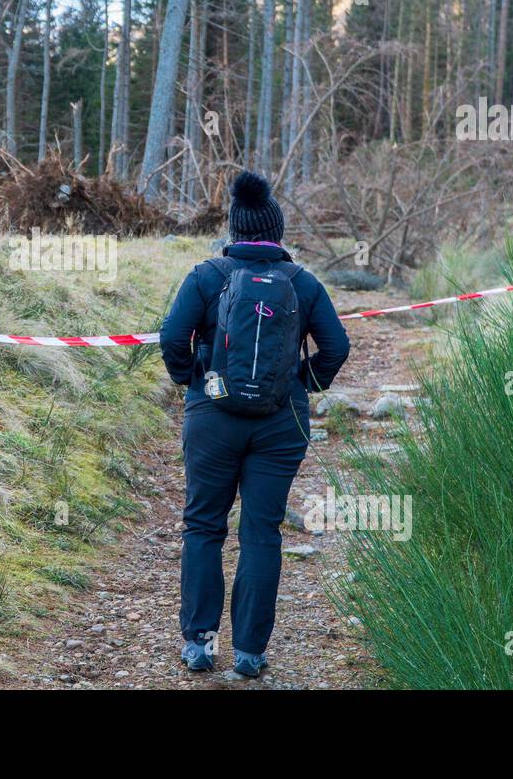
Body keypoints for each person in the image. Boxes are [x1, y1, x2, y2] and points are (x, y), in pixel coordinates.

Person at [159, 171, 350, 677]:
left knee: (203, 525)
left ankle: (199, 644)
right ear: (277, 233)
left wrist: (192, 380)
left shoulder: (206, 276)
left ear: (234, 231)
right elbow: (337, 347)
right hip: (280, 422)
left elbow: (173, 337)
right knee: (262, 531)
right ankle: (249, 653)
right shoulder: (304, 283)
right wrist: (302, 383)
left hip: (212, 418)